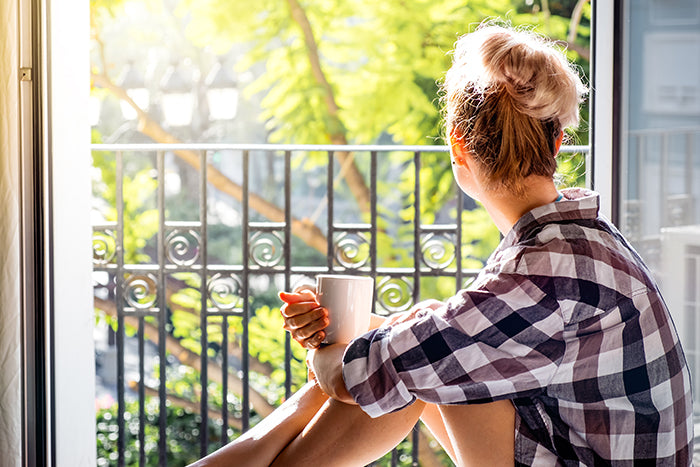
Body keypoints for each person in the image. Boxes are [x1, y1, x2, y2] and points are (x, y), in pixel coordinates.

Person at [190, 23, 693, 466]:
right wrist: (346, 332)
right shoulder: (577, 243)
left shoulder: (547, 271)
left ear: (458, 144)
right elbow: (429, 343)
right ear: (557, 142)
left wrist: (325, 355)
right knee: (430, 343)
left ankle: (245, 456)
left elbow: (363, 374)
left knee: (432, 363)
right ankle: (248, 456)